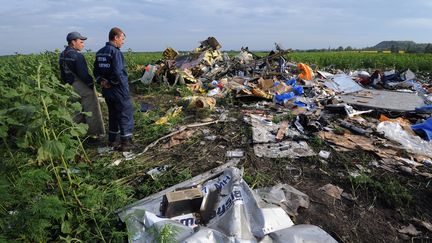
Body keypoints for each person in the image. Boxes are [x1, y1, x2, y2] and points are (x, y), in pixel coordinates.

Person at [93, 27, 134, 151]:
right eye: (122, 39)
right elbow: (117, 72)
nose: (123, 42)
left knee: (113, 114)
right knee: (125, 114)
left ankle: (112, 140)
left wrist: (102, 81)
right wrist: (111, 82)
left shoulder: (100, 52)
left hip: (107, 91)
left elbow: (95, 70)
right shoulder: (116, 53)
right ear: (115, 37)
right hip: (119, 90)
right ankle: (126, 142)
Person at [59, 31, 105, 138]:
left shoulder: (62, 55)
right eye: (81, 41)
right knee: (92, 110)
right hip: (82, 87)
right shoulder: (77, 56)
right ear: (73, 42)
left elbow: (62, 73)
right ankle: (95, 134)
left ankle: (78, 135)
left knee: (76, 112)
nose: (83, 44)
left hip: (69, 86)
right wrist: (91, 85)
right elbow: (84, 75)